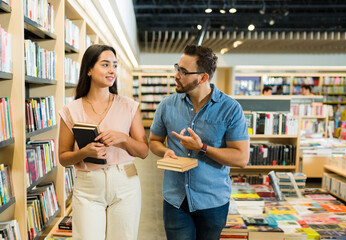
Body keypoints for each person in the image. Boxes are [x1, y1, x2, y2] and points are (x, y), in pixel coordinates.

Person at [149, 45, 250, 240]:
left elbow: (241, 158)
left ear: (203, 78)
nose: (176, 75)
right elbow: (154, 141)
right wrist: (164, 151)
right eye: (177, 68)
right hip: (175, 200)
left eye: (183, 72)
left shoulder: (230, 109)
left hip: (212, 201)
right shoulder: (167, 105)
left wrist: (202, 148)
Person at [58, 44, 149, 240]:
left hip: (126, 184)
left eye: (115, 66)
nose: (112, 71)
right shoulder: (71, 110)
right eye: (105, 64)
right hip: (88, 188)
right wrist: (85, 153)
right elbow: (63, 158)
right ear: (89, 70)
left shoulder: (129, 106)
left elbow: (143, 151)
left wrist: (123, 139)